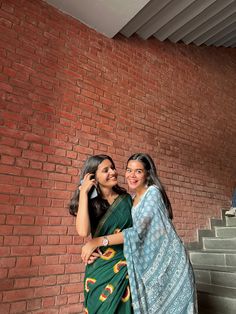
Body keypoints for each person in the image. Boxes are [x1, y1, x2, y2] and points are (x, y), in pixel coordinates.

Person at [80, 153, 197, 314]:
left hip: (147, 262)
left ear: (147, 174)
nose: (130, 175)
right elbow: (88, 231)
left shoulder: (141, 196)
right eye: (128, 170)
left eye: (138, 171)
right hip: (112, 264)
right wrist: (83, 194)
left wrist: (97, 242)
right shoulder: (124, 200)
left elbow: (139, 231)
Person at [69, 154, 133, 314]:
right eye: (106, 170)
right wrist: (84, 193)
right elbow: (83, 232)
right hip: (99, 269)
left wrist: (96, 242)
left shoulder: (126, 200)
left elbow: (135, 233)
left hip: (125, 264)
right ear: (93, 177)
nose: (113, 172)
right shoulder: (90, 204)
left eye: (112, 167)